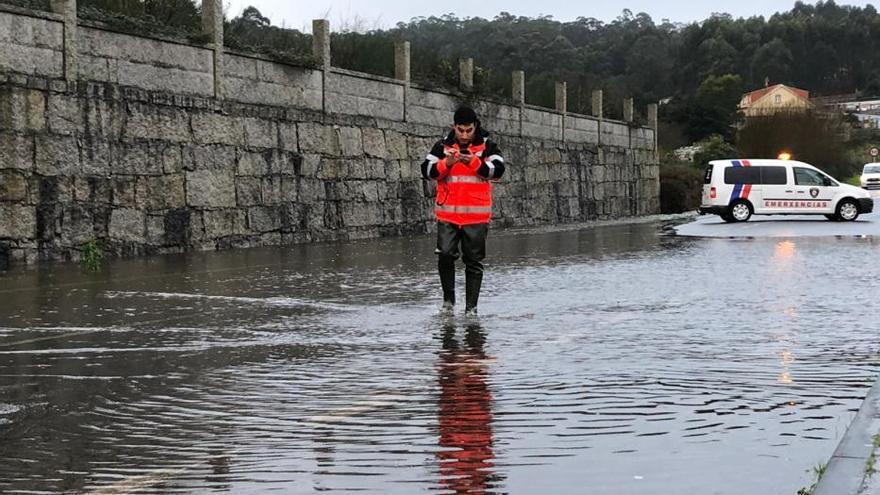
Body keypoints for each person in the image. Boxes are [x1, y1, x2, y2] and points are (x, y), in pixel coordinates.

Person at [420, 107, 505, 315]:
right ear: (454, 127)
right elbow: (427, 170)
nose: (465, 135)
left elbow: (498, 170)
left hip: (475, 216)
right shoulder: (442, 146)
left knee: (473, 261)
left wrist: (475, 163)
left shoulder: (488, 146)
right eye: (461, 130)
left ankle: (471, 309)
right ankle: (448, 302)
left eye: (469, 130)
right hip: (448, 215)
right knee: (445, 255)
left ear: (475, 127)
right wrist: (446, 163)